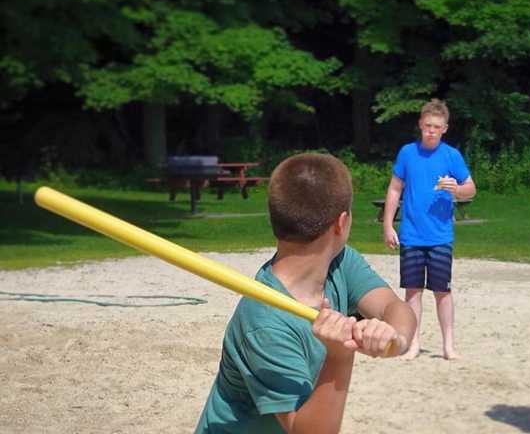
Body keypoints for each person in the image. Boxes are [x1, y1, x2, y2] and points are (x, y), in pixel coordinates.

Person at [195, 153, 416, 434]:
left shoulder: (340, 263)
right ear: (341, 222)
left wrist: (396, 339)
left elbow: (393, 307)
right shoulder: (264, 322)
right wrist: (339, 355)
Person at [382, 98, 476, 360]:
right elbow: (394, 189)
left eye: (436, 126)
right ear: (420, 125)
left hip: (440, 236)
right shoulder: (407, 153)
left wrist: (456, 189)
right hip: (411, 235)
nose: (431, 130)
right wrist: (389, 225)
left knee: (442, 292)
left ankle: (448, 345)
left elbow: (471, 188)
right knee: (412, 291)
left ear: (445, 128)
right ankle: (413, 344)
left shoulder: (451, 155)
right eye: (427, 125)